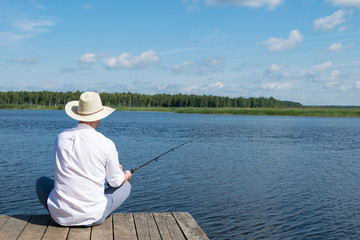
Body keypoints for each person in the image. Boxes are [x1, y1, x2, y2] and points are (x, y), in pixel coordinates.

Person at [36, 92, 132, 226]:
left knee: (41, 182)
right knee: (125, 186)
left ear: (78, 115)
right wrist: (126, 176)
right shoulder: (106, 143)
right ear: (99, 117)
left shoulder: (61, 138)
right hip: (93, 217)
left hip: (59, 217)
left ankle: (63, 211)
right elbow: (115, 182)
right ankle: (93, 210)